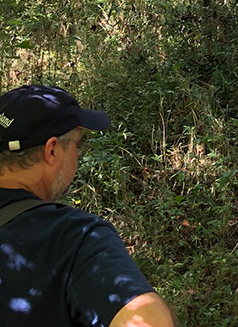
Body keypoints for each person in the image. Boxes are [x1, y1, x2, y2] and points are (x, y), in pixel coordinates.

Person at [0, 85, 175, 327]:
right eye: (78, 145)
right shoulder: (74, 238)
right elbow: (146, 320)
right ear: (52, 150)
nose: (79, 155)